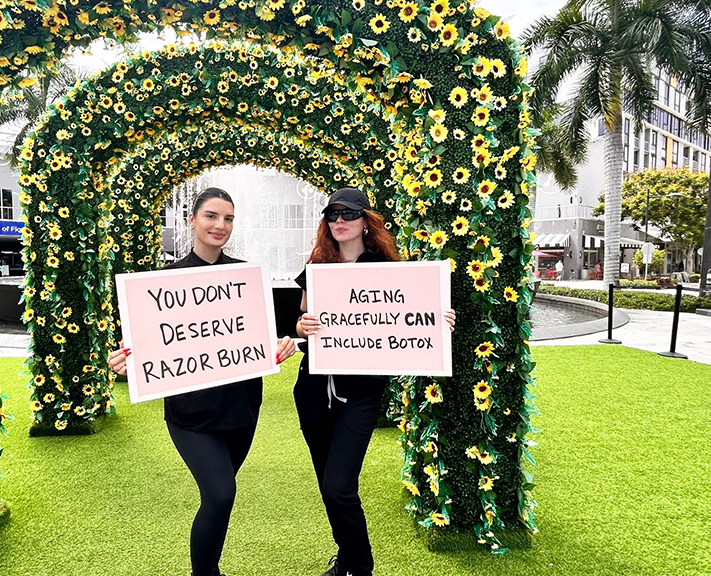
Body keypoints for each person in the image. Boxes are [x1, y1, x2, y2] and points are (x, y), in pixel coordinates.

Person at [108, 188, 296, 576]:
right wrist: (125, 362)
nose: (220, 226)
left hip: (242, 410)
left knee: (218, 499)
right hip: (191, 414)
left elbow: (261, 340)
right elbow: (143, 349)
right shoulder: (162, 283)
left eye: (228, 219)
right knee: (221, 493)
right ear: (192, 220)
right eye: (211, 216)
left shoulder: (245, 277)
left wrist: (281, 345)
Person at [293, 188, 455, 576]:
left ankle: (360, 566)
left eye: (348, 213)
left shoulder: (386, 267)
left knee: (339, 486)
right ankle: (346, 560)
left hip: (360, 393)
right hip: (313, 389)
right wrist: (300, 326)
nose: (339, 221)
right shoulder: (317, 265)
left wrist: (439, 321)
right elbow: (298, 319)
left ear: (366, 220)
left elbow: (411, 314)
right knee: (328, 485)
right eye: (332, 214)